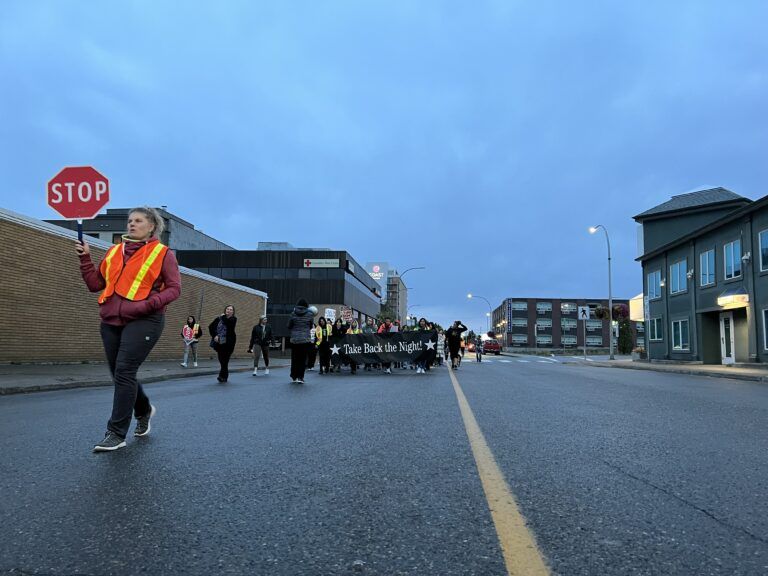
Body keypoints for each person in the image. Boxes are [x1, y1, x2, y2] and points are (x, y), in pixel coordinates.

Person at [76, 206, 181, 452]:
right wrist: (85, 258)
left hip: (145, 319)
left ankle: (116, 433)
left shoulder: (162, 253)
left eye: (138, 221)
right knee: (120, 373)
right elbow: (95, 284)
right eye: (130, 220)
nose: (131, 224)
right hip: (111, 319)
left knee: (124, 370)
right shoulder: (114, 252)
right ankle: (143, 410)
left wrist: (147, 305)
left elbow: (174, 288)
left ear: (152, 226)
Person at [287, 298, 316, 383]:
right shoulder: (310, 315)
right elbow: (311, 326)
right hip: (305, 340)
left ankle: (293, 376)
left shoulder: (293, 314)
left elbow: (289, 325)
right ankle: (300, 377)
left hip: (294, 340)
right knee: (302, 359)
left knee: (294, 358)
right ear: (306, 306)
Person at [209, 305, 237, 383]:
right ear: (225, 310)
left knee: (225, 360)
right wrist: (215, 335)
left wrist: (223, 316)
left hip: (228, 343)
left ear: (233, 312)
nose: (229, 310)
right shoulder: (218, 319)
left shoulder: (233, 319)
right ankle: (223, 376)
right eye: (227, 309)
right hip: (219, 342)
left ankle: (223, 377)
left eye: (231, 309)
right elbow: (210, 327)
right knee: (221, 360)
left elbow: (228, 324)